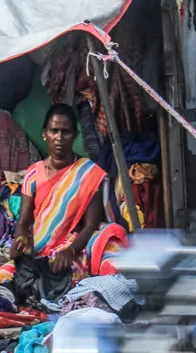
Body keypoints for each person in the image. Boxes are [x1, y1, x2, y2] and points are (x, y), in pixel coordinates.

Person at [9, 103, 127, 280]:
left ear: (75, 136)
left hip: (75, 247)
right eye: (54, 131)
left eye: (66, 132)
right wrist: (20, 239)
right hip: (39, 246)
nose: (59, 137)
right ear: (44, 134)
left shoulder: (87, 173)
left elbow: (91, 224)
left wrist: (70, 251)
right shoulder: (33, 173)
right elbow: (24, 220)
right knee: (6, 273)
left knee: (99, 266)